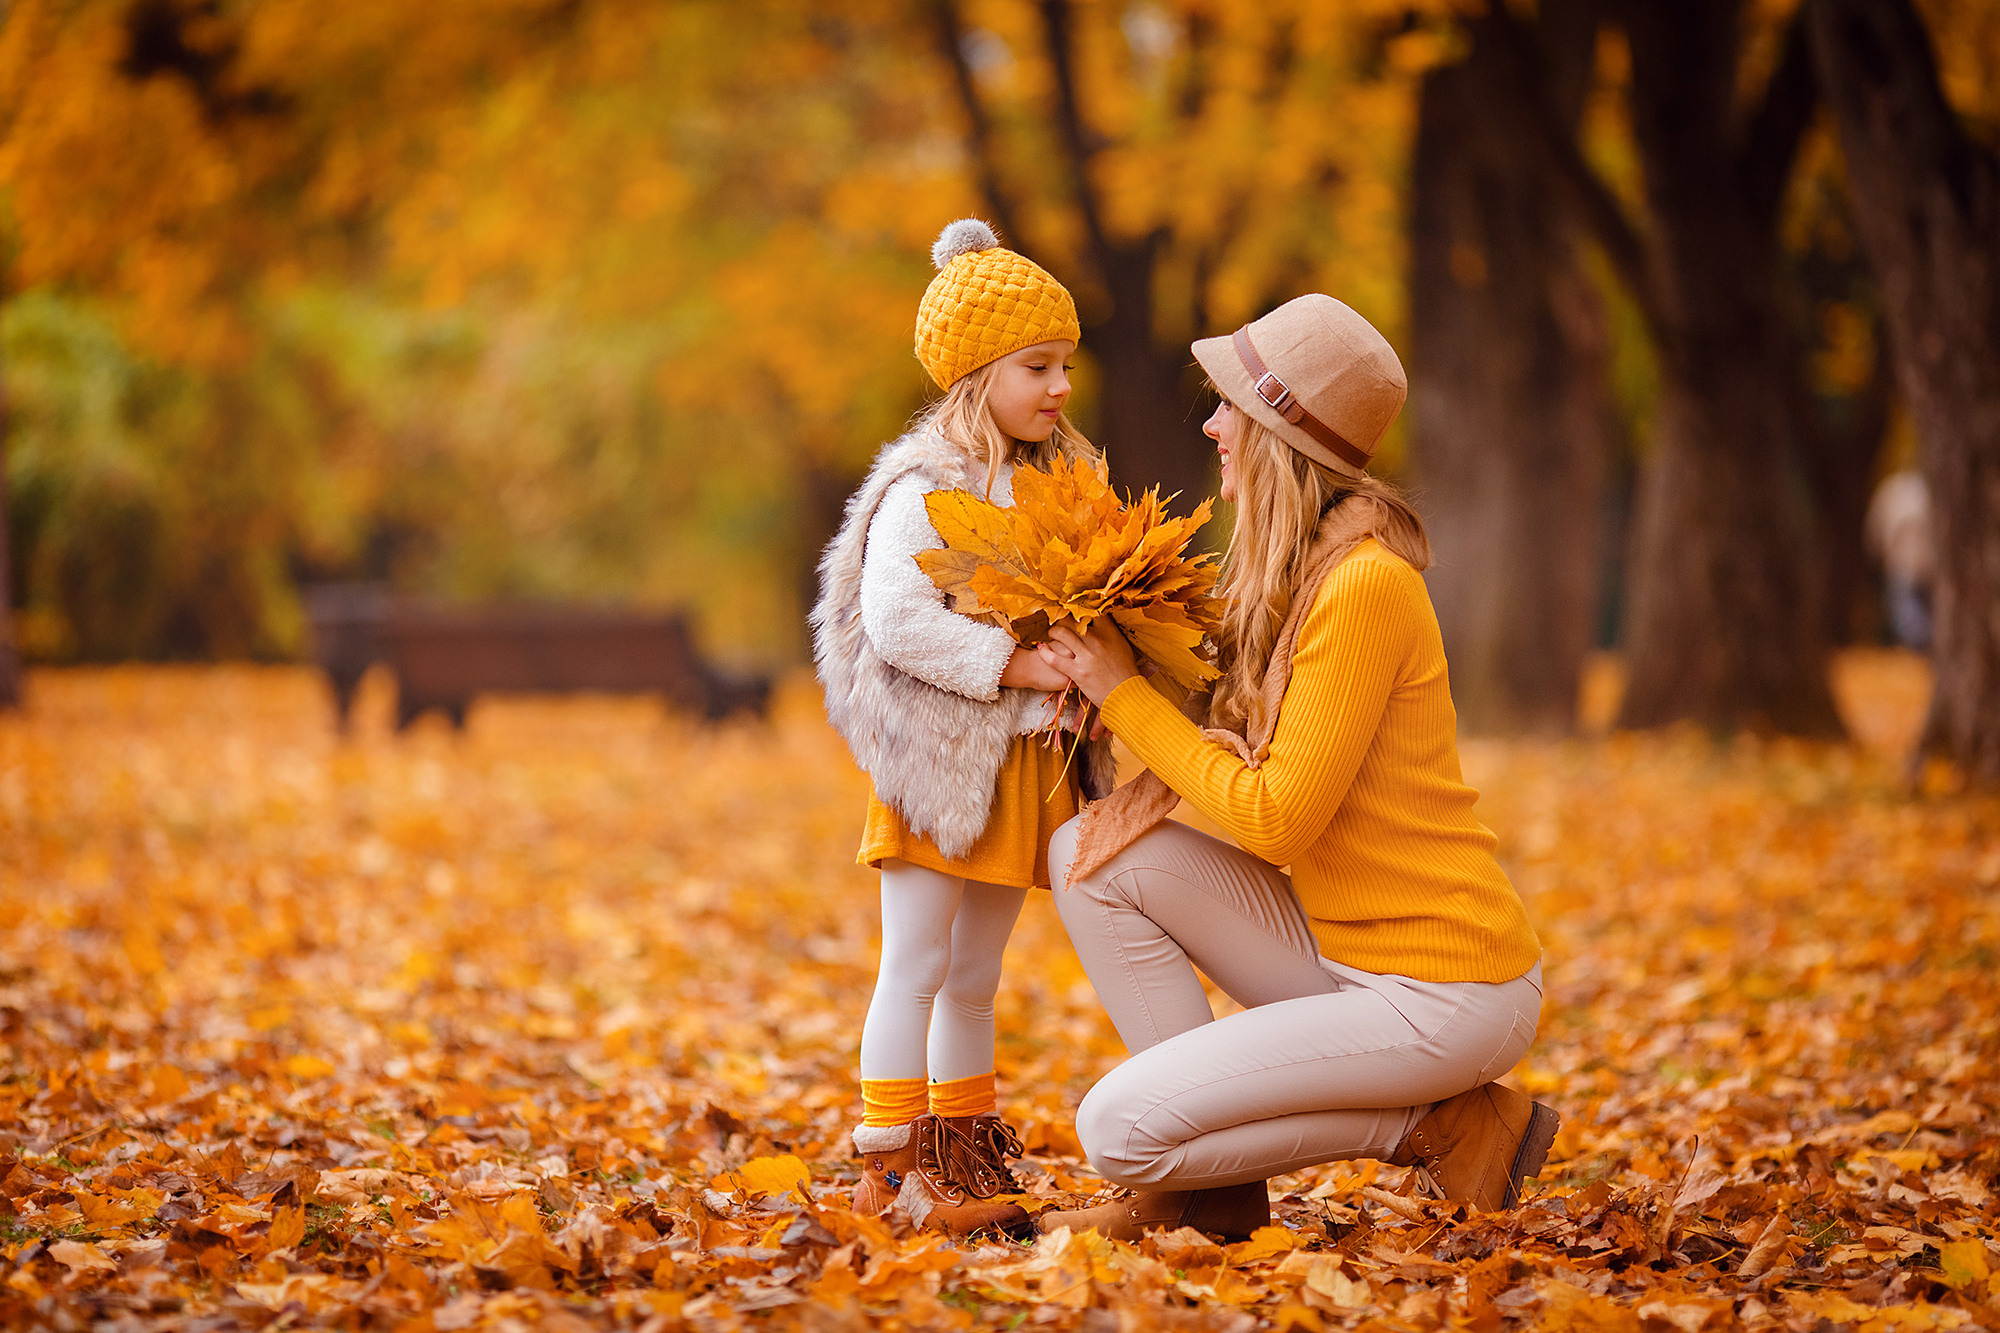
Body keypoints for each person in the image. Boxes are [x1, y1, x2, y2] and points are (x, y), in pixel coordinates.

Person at [1031, 294, 1556, 1242]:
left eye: (1228, 403)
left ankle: (1436, 1123)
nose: (1211, 424)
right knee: (1089, 854)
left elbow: (1274, 819)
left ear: (1277, 429)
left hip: (1445, 990)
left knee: (1115, 1125)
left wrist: (1124, 697)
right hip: (1346, 948)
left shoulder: (1364, 586)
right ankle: (1211, 1188)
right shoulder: (1297, 571)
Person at [811, 219, 1114, 1237]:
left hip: (1019, 766)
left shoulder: (1048, 482)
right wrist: (1014, 664)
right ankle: (886, 1159)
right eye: (1037, 366)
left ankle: (962, 1149)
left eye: (1064, 365)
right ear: (976, 374)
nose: (1058, 386)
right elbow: (898, 623)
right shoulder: (922, 490)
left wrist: (1073, 673)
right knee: (916, 965)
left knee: (977, 977)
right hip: (937, 763)